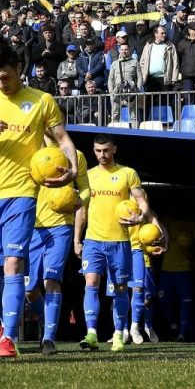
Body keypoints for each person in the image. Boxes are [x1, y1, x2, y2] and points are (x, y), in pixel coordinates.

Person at [0, 43, 78, 358]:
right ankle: (4, 319)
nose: (2, 83)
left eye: (6, 76)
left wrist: (73, 168)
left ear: (19, 69)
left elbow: (62, 138)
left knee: (13, 263)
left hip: (22, 194)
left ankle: (8, 339)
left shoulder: (41, 100)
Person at [74, 135, 150, 353]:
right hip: (93, 240)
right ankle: (91, 333)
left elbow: (141, 200)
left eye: (106, 150)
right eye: (98, 151)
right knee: (91, 283)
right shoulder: (88, 176)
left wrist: (140, 217)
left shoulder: (127, 173)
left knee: (120, 288)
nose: (102, 155)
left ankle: (118, 333)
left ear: (114, 149)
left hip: (120, 241)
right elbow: (81, 210)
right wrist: (77, 239)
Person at [25, 138, 91, 355]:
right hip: (32, 226)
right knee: (30, 290)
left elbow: (86, 189)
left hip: (62, 225)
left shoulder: (76, 155)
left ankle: (49, 339)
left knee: (51, 279)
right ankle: (46, 319)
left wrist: (78, 202)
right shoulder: (31, 151)